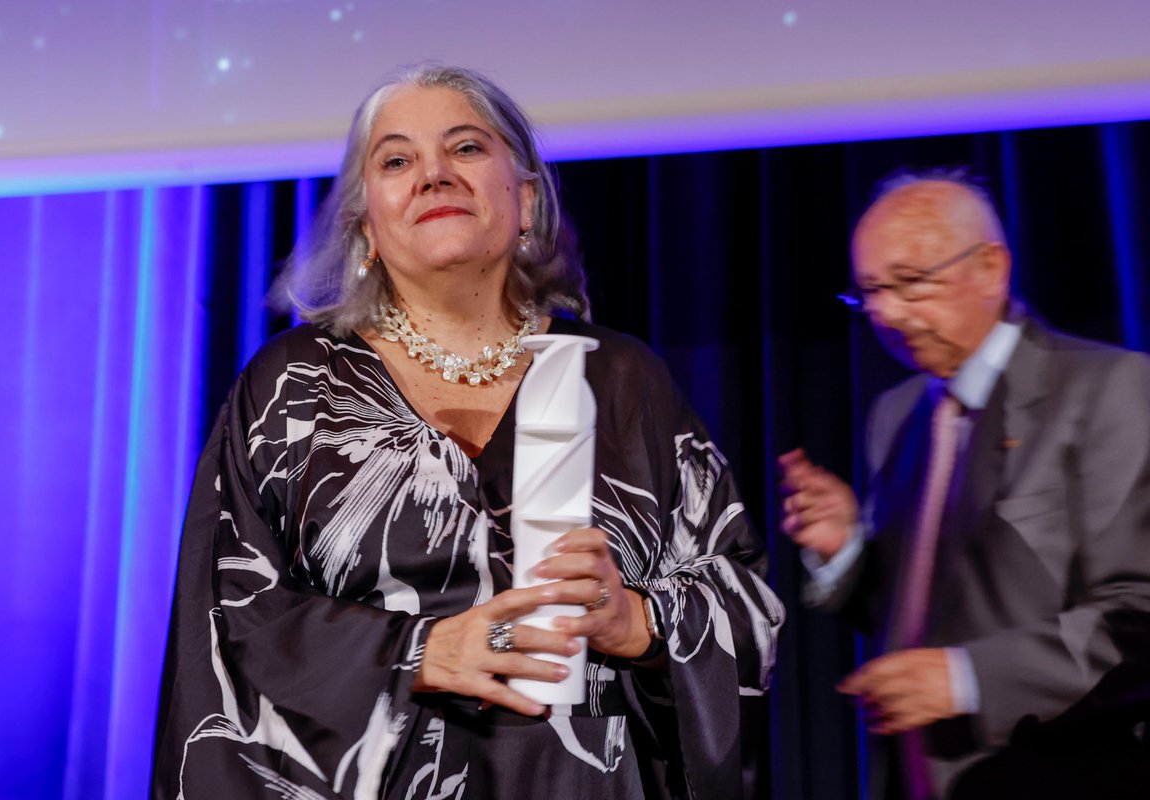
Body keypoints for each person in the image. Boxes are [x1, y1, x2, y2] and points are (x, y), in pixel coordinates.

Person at [153, 64, 782, 799]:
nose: (433, 175)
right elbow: (227, 628)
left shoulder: (621, 381)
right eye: (396, 160)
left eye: (466, 149)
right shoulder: (292, 387)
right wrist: (417, 652)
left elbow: (746, 603)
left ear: (524, 198)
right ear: (366, 228)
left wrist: (636, 620)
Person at [779, 174, 1150, 799]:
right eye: (869, 291)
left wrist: (968, 679)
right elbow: (925, 610)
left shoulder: (1111, 390)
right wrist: (843, 549)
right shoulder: (897, 416)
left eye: (912, 282)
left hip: (1066, 770)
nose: (888, 313)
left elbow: (1138, 615)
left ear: (991, 267)